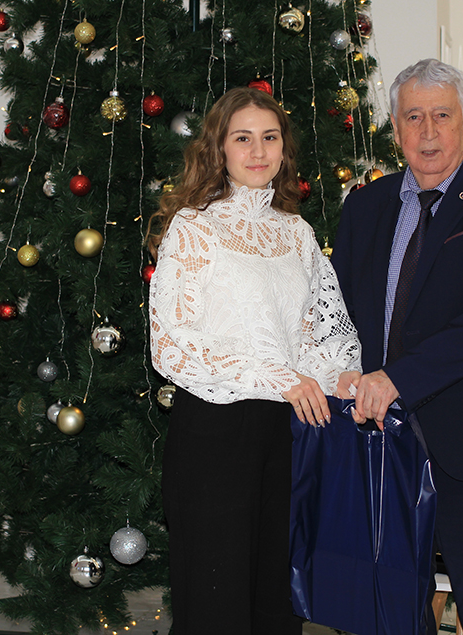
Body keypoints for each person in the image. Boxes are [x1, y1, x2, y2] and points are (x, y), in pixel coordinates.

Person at [331, 59, 463, 635]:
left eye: (442, 116)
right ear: (395, 128)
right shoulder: (365, 206)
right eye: (413, 117)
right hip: (380, 442)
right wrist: (340, 368)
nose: (428, 132)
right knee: (387, 607)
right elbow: (339, 311)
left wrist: (397, 378)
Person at [147, 87, 361, 635]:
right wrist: (275, 375)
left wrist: (341, 375)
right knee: (215, 605)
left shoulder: (298, 233)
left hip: (287, 435)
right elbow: (171, 342)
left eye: (270, 137)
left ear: (284, 149)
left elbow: (317, 332)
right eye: (243, 138)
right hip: (215, 432)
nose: (258, 150)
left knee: (275, 602)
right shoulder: (194, 227)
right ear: (218, 147)